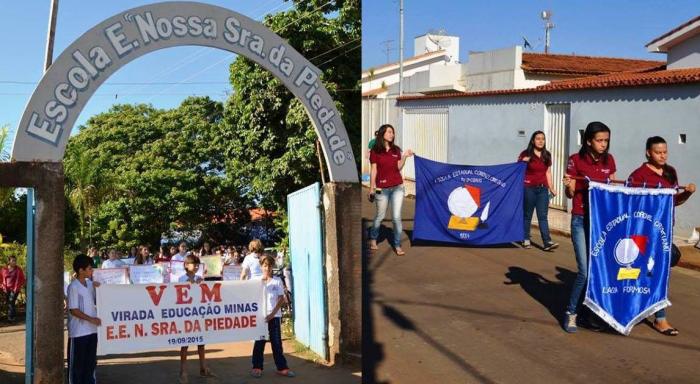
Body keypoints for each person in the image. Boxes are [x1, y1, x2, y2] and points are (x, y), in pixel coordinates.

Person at [627, 136, 696, 336]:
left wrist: (688, 194)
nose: (662, 155)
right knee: (639, 270)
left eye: (665, 151)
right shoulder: (638, 175)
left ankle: (660, 318)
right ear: (648, 152)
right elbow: (631, 204)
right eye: (658, 152)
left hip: (664, 231)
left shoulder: (670, 172)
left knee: (660, 272)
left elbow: (673, 202)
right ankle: (634, 308)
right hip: (643, 232)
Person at [562, 122, 616, 333]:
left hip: (601, 221)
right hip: (580, 219)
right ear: (588, 141)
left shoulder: (609, 160)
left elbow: (611, 188)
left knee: (597, 271)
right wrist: (569, 185)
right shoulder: (575, 160)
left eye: (606, 140)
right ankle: (570, 313)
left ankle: (589, 313)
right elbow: (570, 194)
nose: (603, 144)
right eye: (599, 140)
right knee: (584, 271)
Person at [367, 124, 414, 256]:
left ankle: (397, 244)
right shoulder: (376, 151)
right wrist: (371, 188)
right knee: (380, 216)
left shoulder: (396, 150)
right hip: (381, 189)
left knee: (396, 217)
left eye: (392, 132)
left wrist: (404, 156)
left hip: (398, 187)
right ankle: (374, 238)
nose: (391, 134)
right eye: (389, 132)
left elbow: (398, 167)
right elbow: (374, 170)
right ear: (383, 134)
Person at [250, 255, 295, 378]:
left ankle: (282, 367)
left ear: (272, 267)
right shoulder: (256, 281)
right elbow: (248, 294)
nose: (267, 268)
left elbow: (281, 299)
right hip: (261, 318)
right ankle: (257, 367)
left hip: (274, 316)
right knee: (259, 342)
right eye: (265, 266)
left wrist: (272, 314)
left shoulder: (277, 281)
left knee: (276, 343)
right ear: (261, 267)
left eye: (269, 266)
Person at [518, 131, 559, 251]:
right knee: (527, 215)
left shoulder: (547, 155)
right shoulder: (525, 154)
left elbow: (548, 172)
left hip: (542, 189)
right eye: (538, 139)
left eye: (543, 139)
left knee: (543, 216)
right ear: (532, 141)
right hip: (528, 188)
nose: (541, 141)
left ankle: (547, 242)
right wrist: (523, 161)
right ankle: (525, 238)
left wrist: (551, 188)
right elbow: (518, 169)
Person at [178, 255, 215, 383]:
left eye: (198, 264)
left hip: (198, 314)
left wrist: (201, 283)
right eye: (194, 264)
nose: (196, 266)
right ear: (186, 265)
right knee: (185, 344)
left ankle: (203, 368)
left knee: (201, 342)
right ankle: (183, 372)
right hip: (186, 315)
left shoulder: (200, 279)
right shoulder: (181, 279)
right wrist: (193, 284)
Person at [66, 254, 101, 384]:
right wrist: (91, 319)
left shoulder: (91, 284)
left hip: (92, 331)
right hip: (78, 332)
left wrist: (103, 289)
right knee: (77, 366)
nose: (92, 271)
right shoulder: (73, 287)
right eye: (90, 268)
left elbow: (101, 296)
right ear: (81, 270)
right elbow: (73, 310)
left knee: (90, 363)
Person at [1, 256, 26, 322]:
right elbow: (1, 278)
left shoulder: (18, 269)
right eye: (13, 260)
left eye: (15, 260)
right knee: (9, 303)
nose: (14, 262)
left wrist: (17, 287)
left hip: (15, 289)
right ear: (9, 261)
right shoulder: (4, 269)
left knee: (11, 302)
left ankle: (10, 318)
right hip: (6, 289)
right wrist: (2, 286)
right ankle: (13, 317)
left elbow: (22, 279)